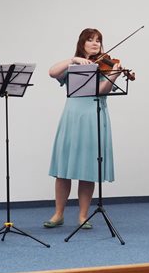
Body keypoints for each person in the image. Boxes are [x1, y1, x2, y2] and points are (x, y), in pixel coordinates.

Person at [44, 28, 118, 230]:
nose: (95, 44)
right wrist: (73, 60)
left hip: (94, 116)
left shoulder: (104, 66)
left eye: (98, 40)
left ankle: (83, 215)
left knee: (88, 168)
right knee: (63, 169)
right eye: (90, 40)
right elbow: (52, 72)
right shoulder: (74, 66)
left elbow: (102, 91)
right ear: (82, 43)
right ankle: (58, 214)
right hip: (72, 117)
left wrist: (114, 75)